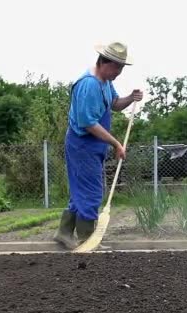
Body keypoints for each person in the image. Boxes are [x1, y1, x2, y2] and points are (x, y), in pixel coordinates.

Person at [53, 41, 142, 249]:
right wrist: (116, 143)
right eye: (117, 67)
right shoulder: (89, 84)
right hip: (82, 145)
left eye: (122, 68)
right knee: (91, 192)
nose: (119, 73)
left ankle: (64, 232)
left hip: (93, 147)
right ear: (104, 62)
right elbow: (88, 123)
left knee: (81, 192)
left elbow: (115, 104)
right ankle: (87, 239)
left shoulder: (105, 81)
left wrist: (131, 98)